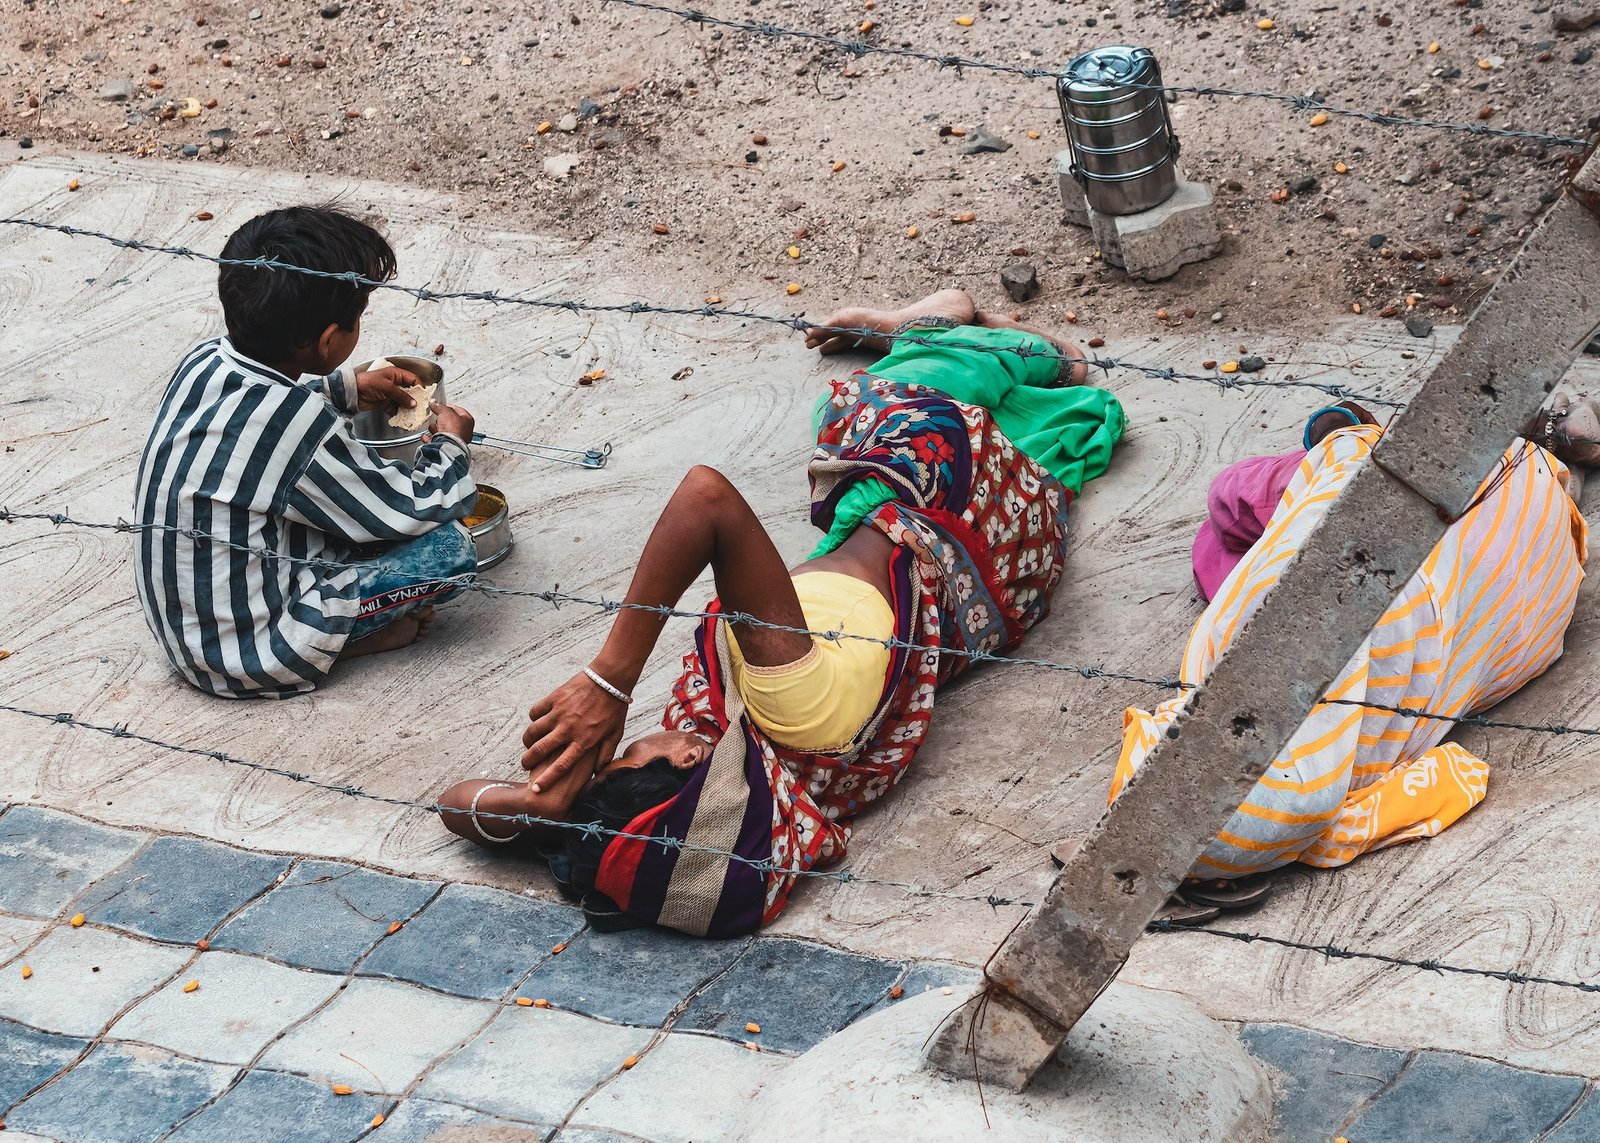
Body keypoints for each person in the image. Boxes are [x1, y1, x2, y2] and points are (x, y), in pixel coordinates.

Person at [439, 289, 1126, 936]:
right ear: (685, 754)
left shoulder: (777, 796)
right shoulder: (789, 707)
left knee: (849, 448)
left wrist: (545, 807)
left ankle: (939, 359)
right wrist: (611, 681)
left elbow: (454, 805)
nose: (617, 748)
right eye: (622, 760)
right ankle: (940, 326)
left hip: (975, 589)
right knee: (885, 404)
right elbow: (706, 499)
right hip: (952, 514)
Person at [1107, 396, 1591, 922]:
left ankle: (1543, 455)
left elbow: (1449, 776)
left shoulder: (1357, 784)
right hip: (1414, 491)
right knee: (1234, 517)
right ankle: (1516, 445)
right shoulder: (1212, 653)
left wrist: (1311, 832)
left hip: (1538, 544)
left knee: (1245, 548)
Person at [133, 205, 481, 699]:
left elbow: (254, 425)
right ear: (327, 340)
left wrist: (344, 388)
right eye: (358, 318)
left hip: (187, 632)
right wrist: (450, 444)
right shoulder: (298, 425)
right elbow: (410, 509)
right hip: (249, 654)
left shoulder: (206, 361)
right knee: (451, 551)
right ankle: (344, 642)